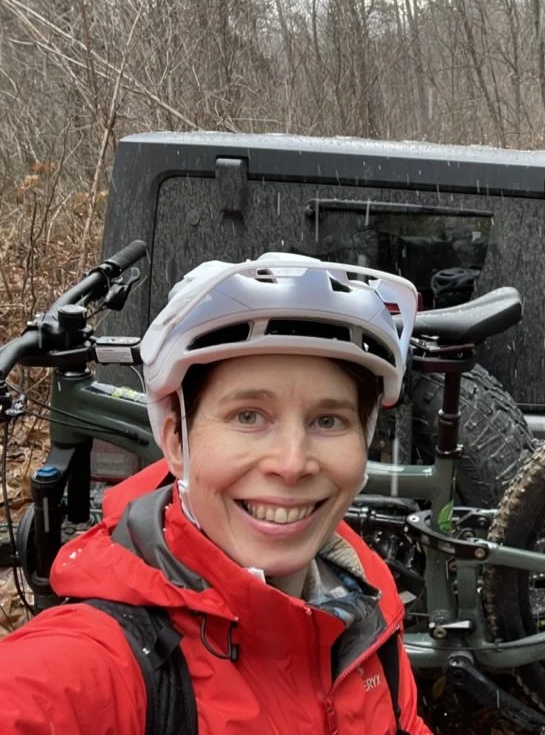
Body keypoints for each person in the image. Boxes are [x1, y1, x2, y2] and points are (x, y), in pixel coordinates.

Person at [0, 253, 433, 735]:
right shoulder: (107, 660)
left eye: (328, 420)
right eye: (248, 416)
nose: (291, 463)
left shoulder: (365, 596)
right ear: (175, 440)